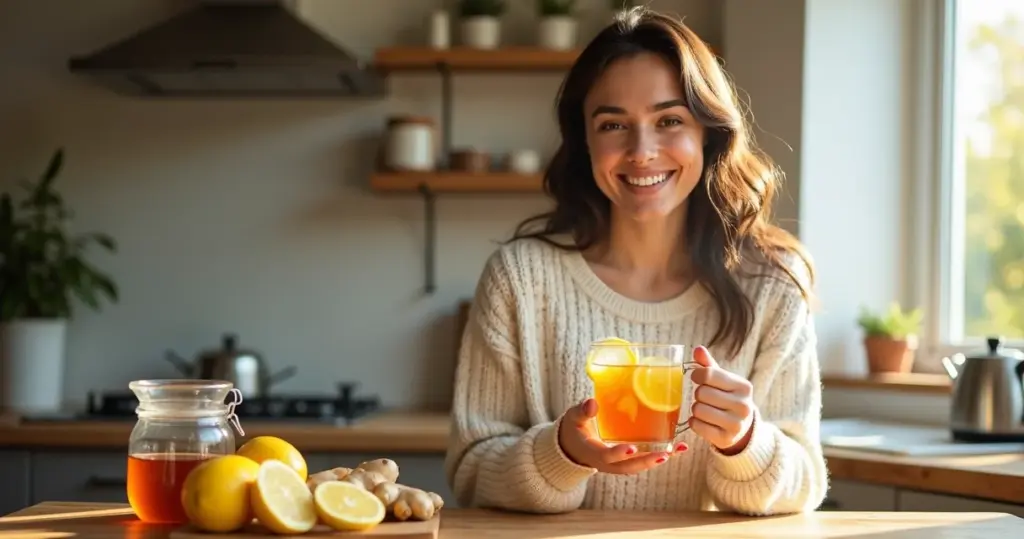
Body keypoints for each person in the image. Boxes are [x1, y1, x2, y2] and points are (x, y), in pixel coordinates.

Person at [443, 7, 828, 516]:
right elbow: (471, 470)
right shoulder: (520, 278)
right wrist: (561, 452)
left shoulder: (772, 283)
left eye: (669, 120)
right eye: (613, 124)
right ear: (584, 141)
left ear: (708, 134)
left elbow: (804, 485)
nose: (641, 150)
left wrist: (745, 439)